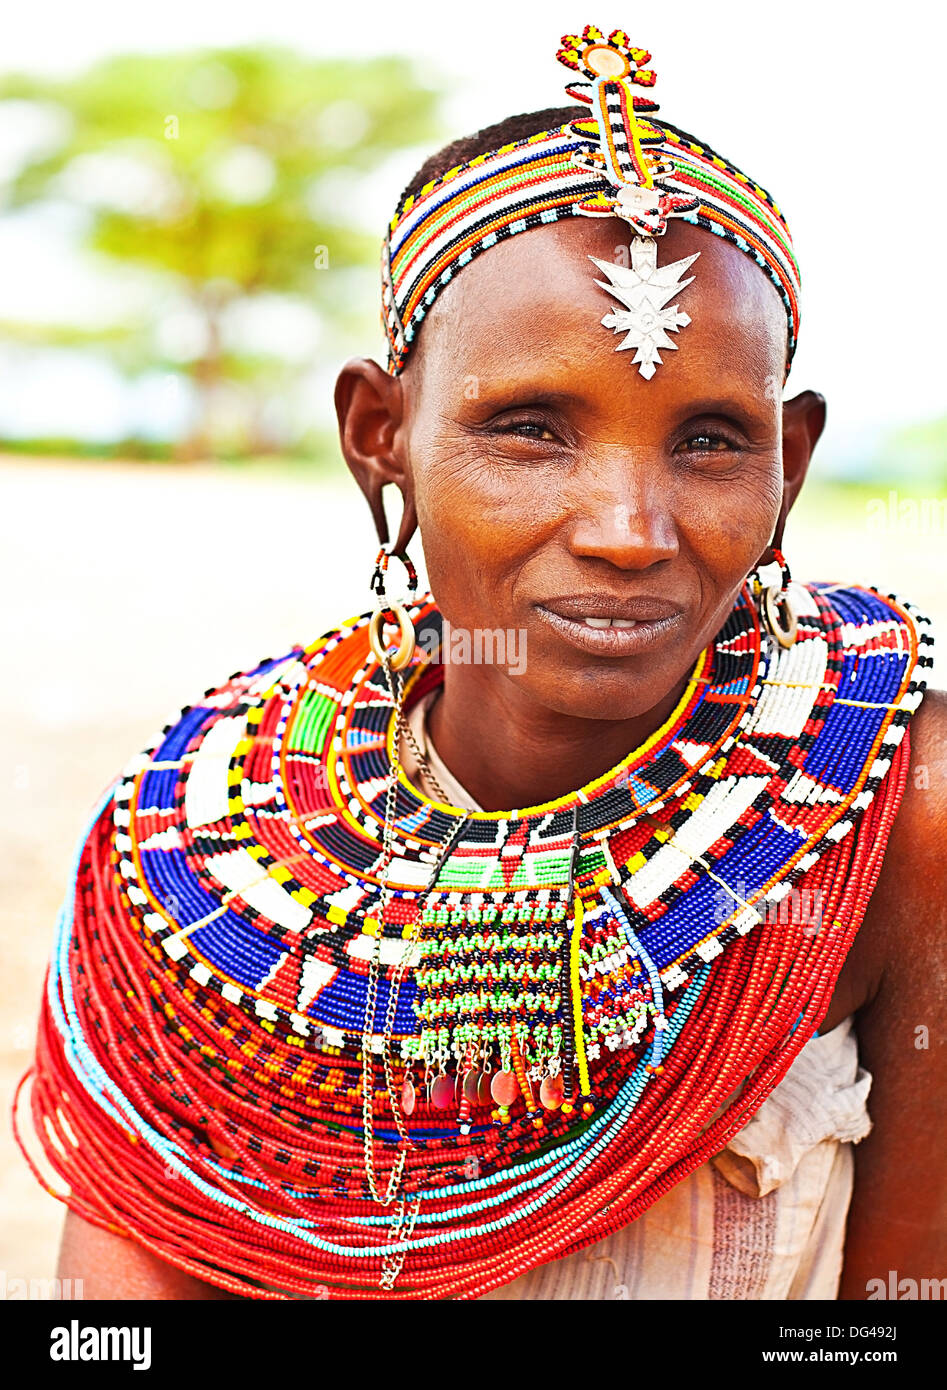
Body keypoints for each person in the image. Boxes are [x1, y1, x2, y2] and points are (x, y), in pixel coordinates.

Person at [16, 23, 946, 1301]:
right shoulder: (190, 857)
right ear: (378, 435)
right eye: (529, 430)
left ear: (788, 461)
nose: (630, 530)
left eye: (711, 442)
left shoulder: (895, 815)